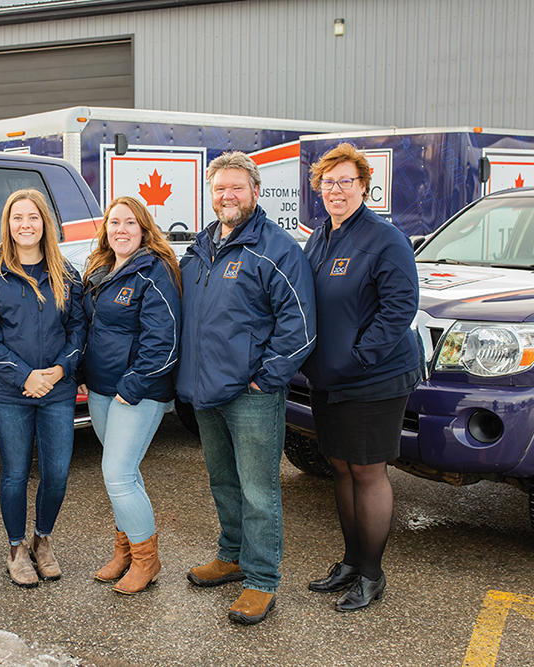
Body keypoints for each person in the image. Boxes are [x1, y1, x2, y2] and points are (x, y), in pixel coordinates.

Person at [175, 151, 316, 625]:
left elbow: (299, 326)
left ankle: (260, 580)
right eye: (219, 188)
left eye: (237, 187)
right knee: (223, 481)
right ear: (210, 194)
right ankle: (231, 556)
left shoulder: (277, 250)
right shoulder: (200, 248)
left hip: (251, 394)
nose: (227, 196)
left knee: (259, 490)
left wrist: (266, 379)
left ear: (256, 192)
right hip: (205, 392)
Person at [301, 142, 420, 612]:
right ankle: (351, 561)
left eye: (345, 181)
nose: (336, 190)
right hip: (328, 379)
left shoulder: (384, 238)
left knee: (368, 472)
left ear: (365, 186)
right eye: (328, 183)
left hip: (374, 378)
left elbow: (398, 309)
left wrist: (356, 357)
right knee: (341, 467)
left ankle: (372, 573)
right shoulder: (320, 237)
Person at [0, 189, 86, 588]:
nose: (25, 224)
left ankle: (43, 540)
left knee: (56, 473)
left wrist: (58, 370)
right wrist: (25, 376)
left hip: (56, 388)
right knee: (16, 473)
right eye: (17, 217)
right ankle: (17, 549)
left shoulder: (65, 273)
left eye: (33, 217)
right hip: (8, 392)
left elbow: (78, 328)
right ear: (8, 224)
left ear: (44, 223)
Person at [78, 196, 182, 595]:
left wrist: (133, 385)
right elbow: (91, 329)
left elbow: (163, 338)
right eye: (114, 222)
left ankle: (147, 560)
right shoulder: (100, 268)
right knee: (125, 474)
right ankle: (125, 552)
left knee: (117, 474)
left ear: (143, 229)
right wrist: (85, 374)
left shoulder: (154, 271)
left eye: (129, 223)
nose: (120, 230)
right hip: (102, 390)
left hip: (137, 392)